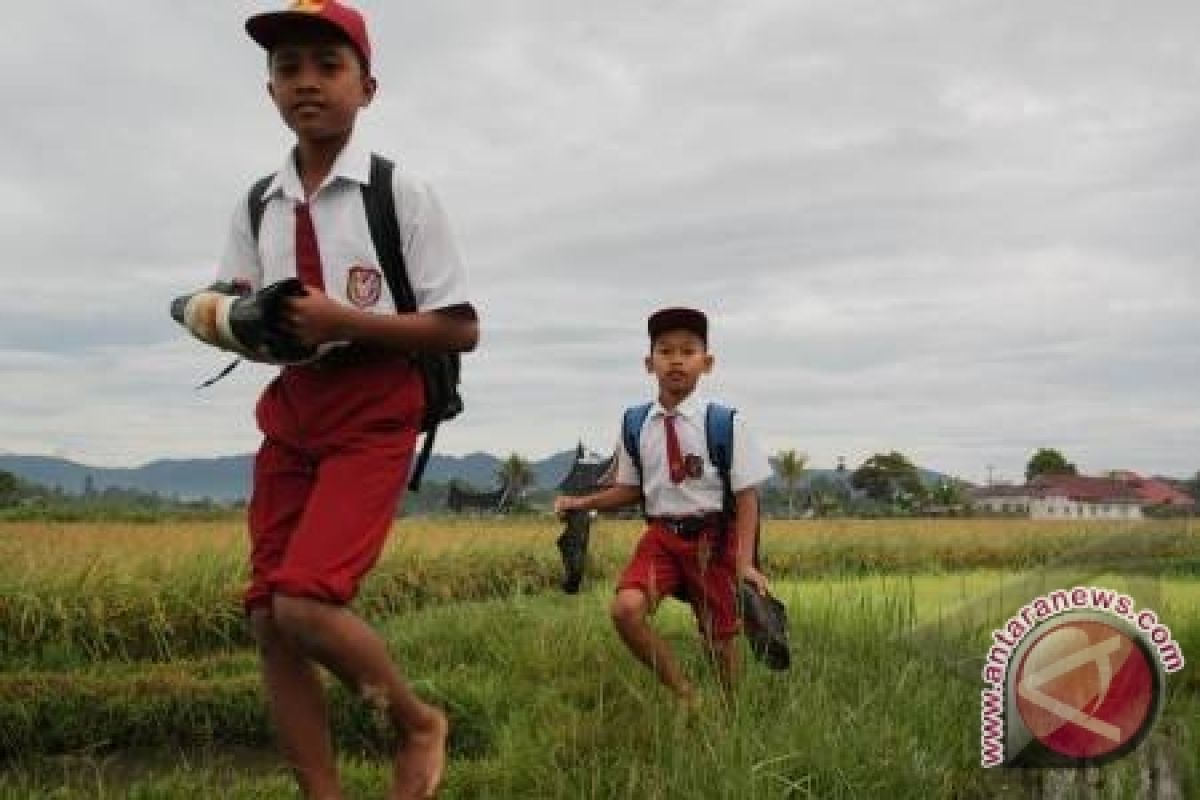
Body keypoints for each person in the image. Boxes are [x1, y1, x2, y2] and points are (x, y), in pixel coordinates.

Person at [212, 3, 477, 798]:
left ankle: (417, 721)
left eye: (327, 67)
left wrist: (343, 319)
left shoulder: (400, 194)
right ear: (269, 91)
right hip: (293, 406)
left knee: (304, 604)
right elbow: (235, 308)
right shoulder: (259, 203)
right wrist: (224, 319)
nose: (307, 83)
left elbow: (461, 328)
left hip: (375, 403)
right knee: (268, 619)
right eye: (288, 68)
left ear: (367, 86)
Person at [554, 308, 773, 706]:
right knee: (625, 610)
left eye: (688, 351)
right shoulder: (635, 423)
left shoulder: (725, 423)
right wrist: (582, 502)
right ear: (648, 362)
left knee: (719, 640)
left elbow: (746, 496)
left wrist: (744, 563)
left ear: (706, 363)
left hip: (713, 540)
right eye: (665, 350)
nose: (676, 359)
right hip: (661, 538)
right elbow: (630, 489)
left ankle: (733, 713)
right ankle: (686, 695)